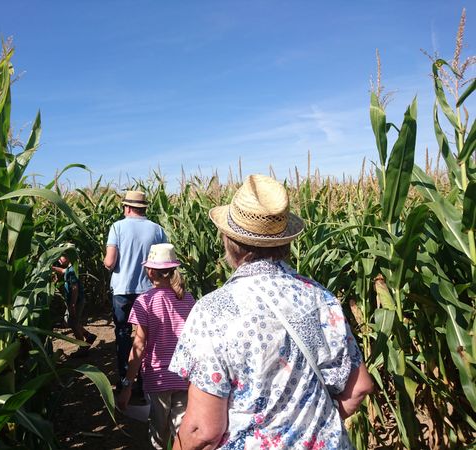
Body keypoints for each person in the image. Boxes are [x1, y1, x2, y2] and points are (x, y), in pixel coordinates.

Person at [169, 174, 374, 450]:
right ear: (285, 241)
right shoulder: (321, 298)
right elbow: (359, 387)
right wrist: (312, 431)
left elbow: (202, 430)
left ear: (229, 241)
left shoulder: (212, 311)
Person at [118, 243, 196, 450]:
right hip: (184, 375)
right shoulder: (188, 299)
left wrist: (127, 386)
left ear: (150, 271)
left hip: (157, 377)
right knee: (182, 431)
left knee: (159, 435)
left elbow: (139, 345)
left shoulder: (144, 302)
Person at [104, 190, 168, 388]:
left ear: (128, 207)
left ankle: (125, 380)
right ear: (143, 208)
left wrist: (106, 262)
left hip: (123, 290)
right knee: (146, 335)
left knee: (123, 334)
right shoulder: (157, 230)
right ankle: (146, 381)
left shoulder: (117, 227)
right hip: (149, 291)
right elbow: (165, 261)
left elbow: (110, 262)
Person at [52, 249, 97, 354]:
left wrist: (72, 304)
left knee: (73, 323)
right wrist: (53, 268)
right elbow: (63, 271)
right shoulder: (70, 269)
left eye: (61, 256)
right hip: (75, 301)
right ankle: (88, 336)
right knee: (71, 321)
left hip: (76, 301)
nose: (59, 259)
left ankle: (82, 348)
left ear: (68, 257)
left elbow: (74, 288)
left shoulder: (72, 271)